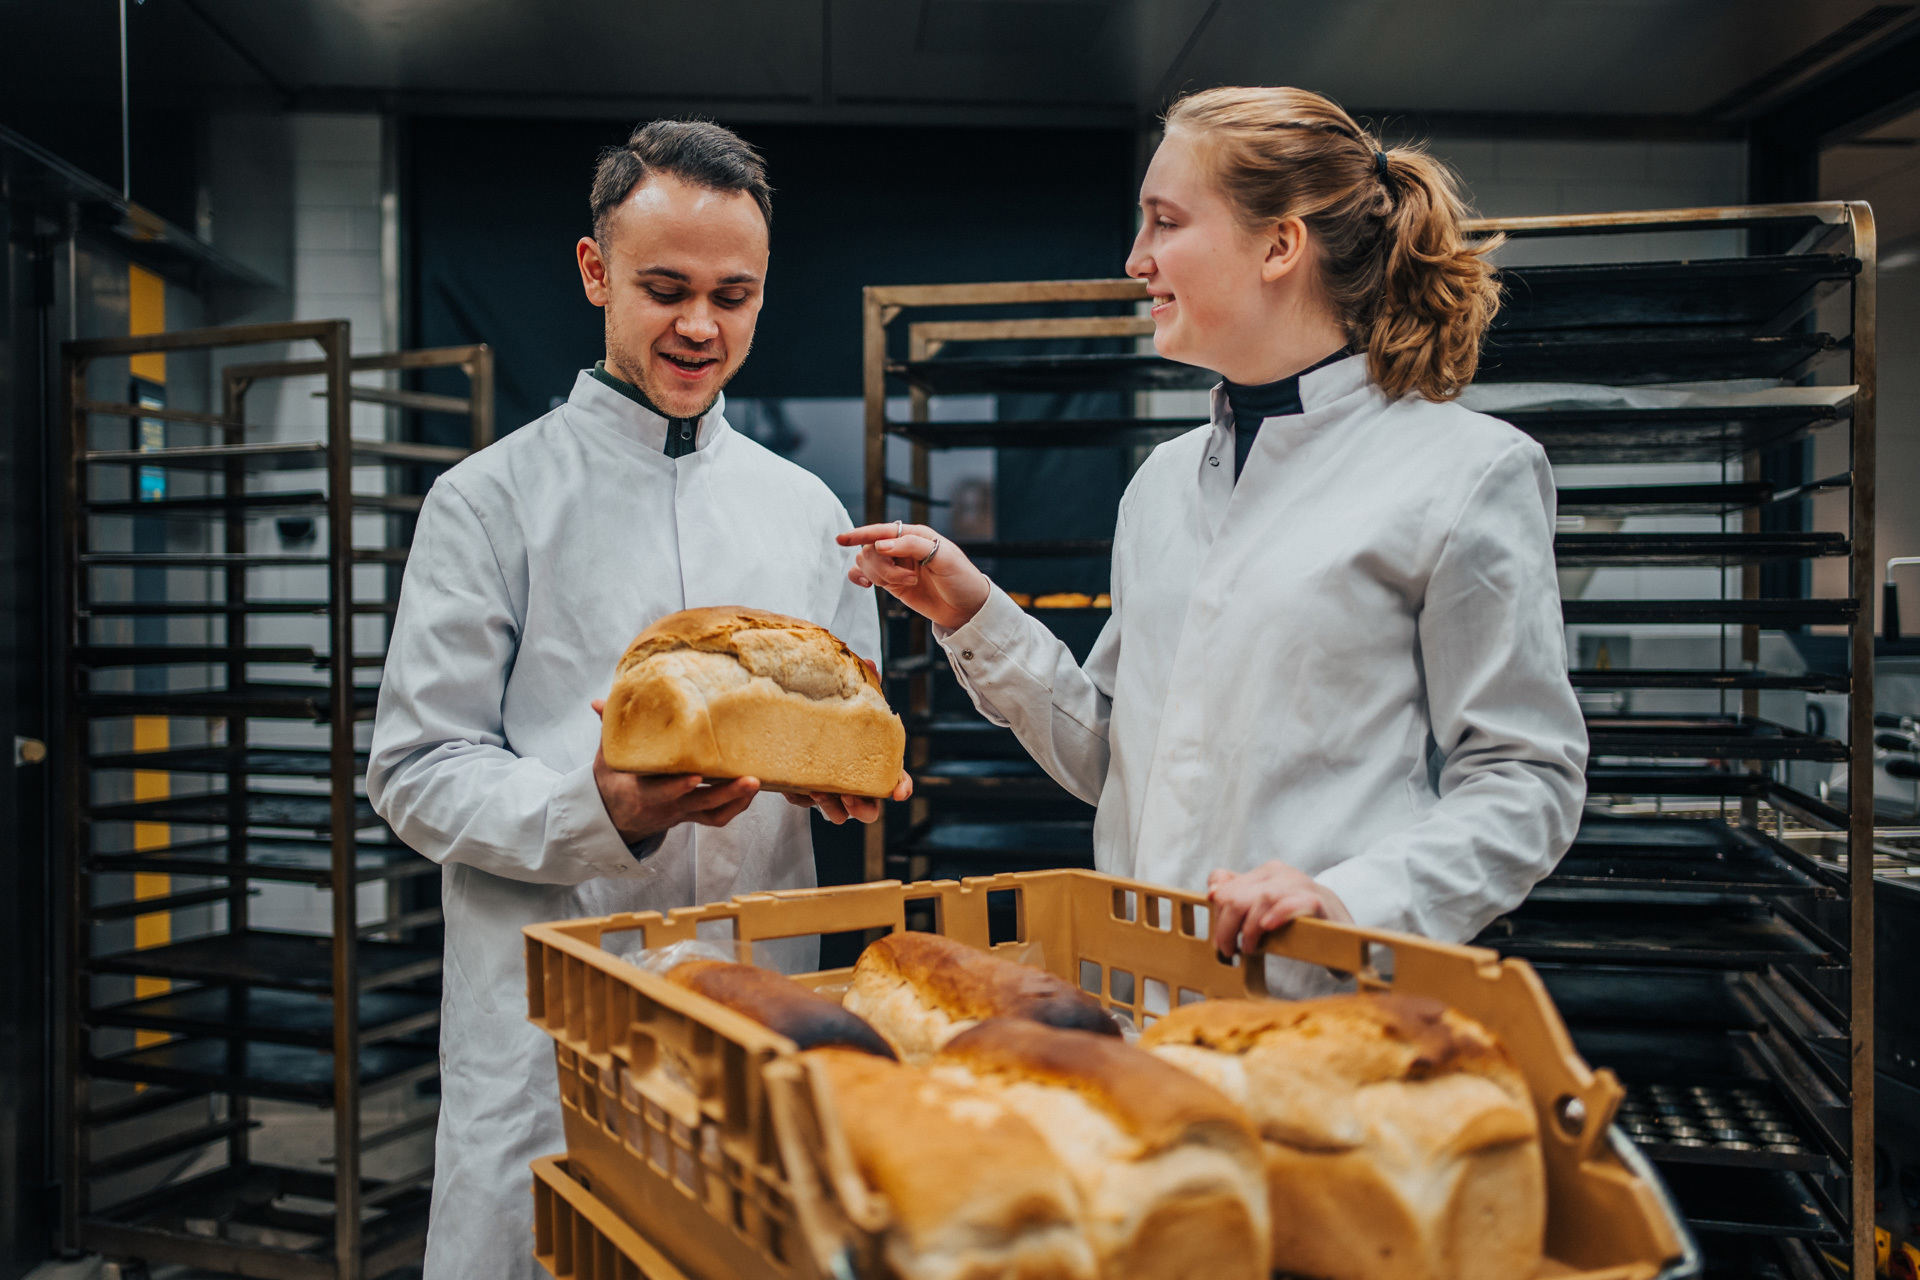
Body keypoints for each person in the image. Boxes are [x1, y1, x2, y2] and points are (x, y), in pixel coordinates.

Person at [843, 86, 1586, 979]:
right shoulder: (1162, 483)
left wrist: (1353, 899)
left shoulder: (1467, 472)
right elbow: (1114, 761)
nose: (1134, 259)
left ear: (1279, 244)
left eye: (1164, 222)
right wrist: (973, 614)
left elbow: (1524, 781)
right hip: (1135, 1003)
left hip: (1319, 1010)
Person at [368, 119, 905, 1280]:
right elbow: (414, 771)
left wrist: (843, 789)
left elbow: (840, 727)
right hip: (555, 1018)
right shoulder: (489, 501)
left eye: (735, 294)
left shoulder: (805, 507)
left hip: (757, 1008)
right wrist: (598, 807)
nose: (701, 326)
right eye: (666, 288)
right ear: (595, 271)